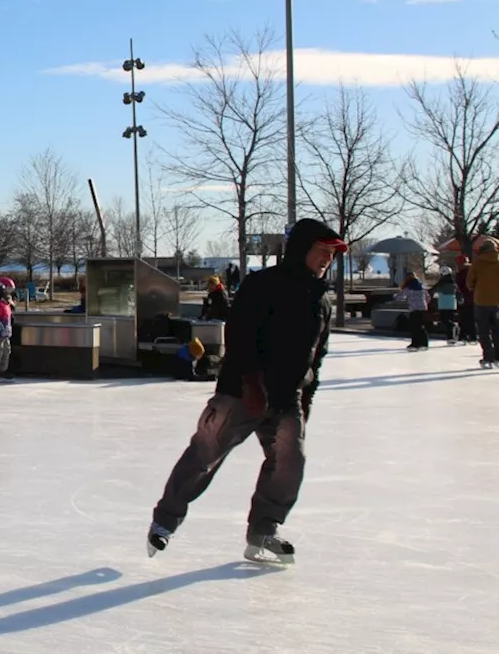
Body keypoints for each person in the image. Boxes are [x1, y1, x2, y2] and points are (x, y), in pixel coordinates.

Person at [147, 218, 347, 565]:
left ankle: (263, 531)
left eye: (332, 253)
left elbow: (319, 352)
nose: (327, 258)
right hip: (241, 391)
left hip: (287, 398)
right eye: (322, 250)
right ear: (302, 250)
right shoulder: (263, 284)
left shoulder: (321, 299)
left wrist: (306, 397)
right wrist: (251, 383)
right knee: (205, 453)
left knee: (289, 462)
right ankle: (164, 521)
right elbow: (240, 337)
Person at [467, 239, 499, 369]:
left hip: (481, 300)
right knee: (497, 330)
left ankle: (488, 356)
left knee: (483, 330)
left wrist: (474, 287)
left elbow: (470, 282)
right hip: (497, 301)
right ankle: (498, 356)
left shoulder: (478, 262)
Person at [395, 272, 430, 352]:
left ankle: (415, 344)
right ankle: (424, 343)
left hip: (414, 308)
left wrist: (395, 297)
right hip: (422, 308)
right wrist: (425, 304)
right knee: (421, 326)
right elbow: (428, 297)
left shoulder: (409, 288)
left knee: (414, 327)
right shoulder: (421, 286)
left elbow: (400, 297)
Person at [0, 276, 17, 381]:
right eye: (8, 289)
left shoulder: (7, 302)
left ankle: (2, 370)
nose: (10, 292)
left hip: (6, 332)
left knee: (6, 351)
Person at [434, 267, 459, 344]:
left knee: (444, 320)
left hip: (443, 304)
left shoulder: (441, 284)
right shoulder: (453, 283)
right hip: (452, 304)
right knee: (449, 320)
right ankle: (451, 338)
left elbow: (434, 290)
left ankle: (453, 328)